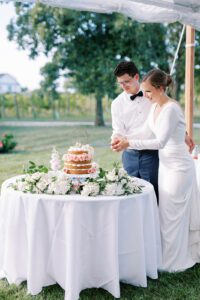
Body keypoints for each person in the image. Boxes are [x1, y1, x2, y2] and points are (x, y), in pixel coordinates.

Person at [112, 68, 200, 272]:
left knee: (173, 216)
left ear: (161, 89)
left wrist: (129, 143)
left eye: (149, 92)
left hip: (178, 168)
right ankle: (164, 255)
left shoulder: (171, 108)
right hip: (165, 167)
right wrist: (124, 140)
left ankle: (173, 261)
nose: (146, 96)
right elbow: (148, 131)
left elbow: (160, 141)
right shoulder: (155, 107)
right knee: (164, 214)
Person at [111, 61, 194, 201]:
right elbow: (118, 130)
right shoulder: (116, 104)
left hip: (152, 154)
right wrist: (115, 139)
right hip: (129, 155)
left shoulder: (153, 95)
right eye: (120, 83)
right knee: (129, 196)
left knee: (154, 197)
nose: (123, 86)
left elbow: (168, 117)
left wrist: (183, 133)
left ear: (136, 77)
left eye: (126, 81)